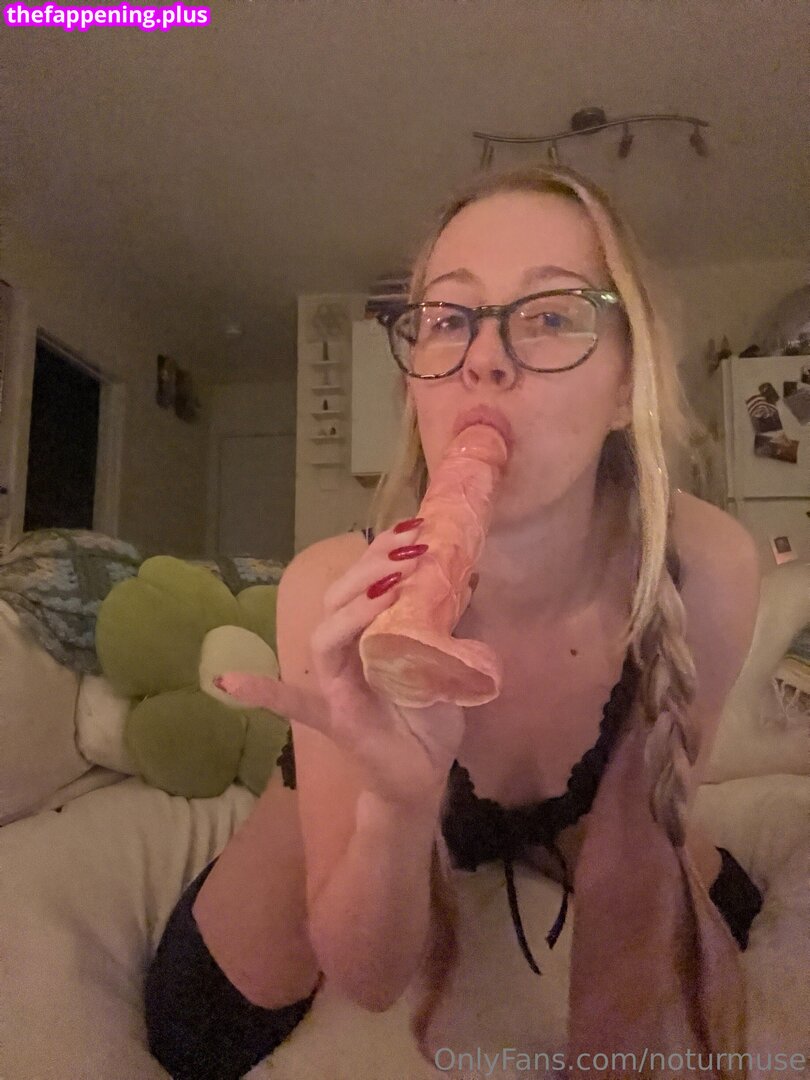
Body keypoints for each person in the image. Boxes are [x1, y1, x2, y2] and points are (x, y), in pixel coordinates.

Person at [144, 164, 763, 1079]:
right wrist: (397, 808)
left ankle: (537, 835)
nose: (484, 358)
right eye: (448, 318)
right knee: (198, 1029)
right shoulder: (331, 584)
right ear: (418, 384)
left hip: (580, 806)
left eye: (550, 315)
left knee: (731, 911)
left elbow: (628, 898)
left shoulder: (706, 567)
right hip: (368, 805)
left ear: (625, 378)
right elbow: (371, 978)